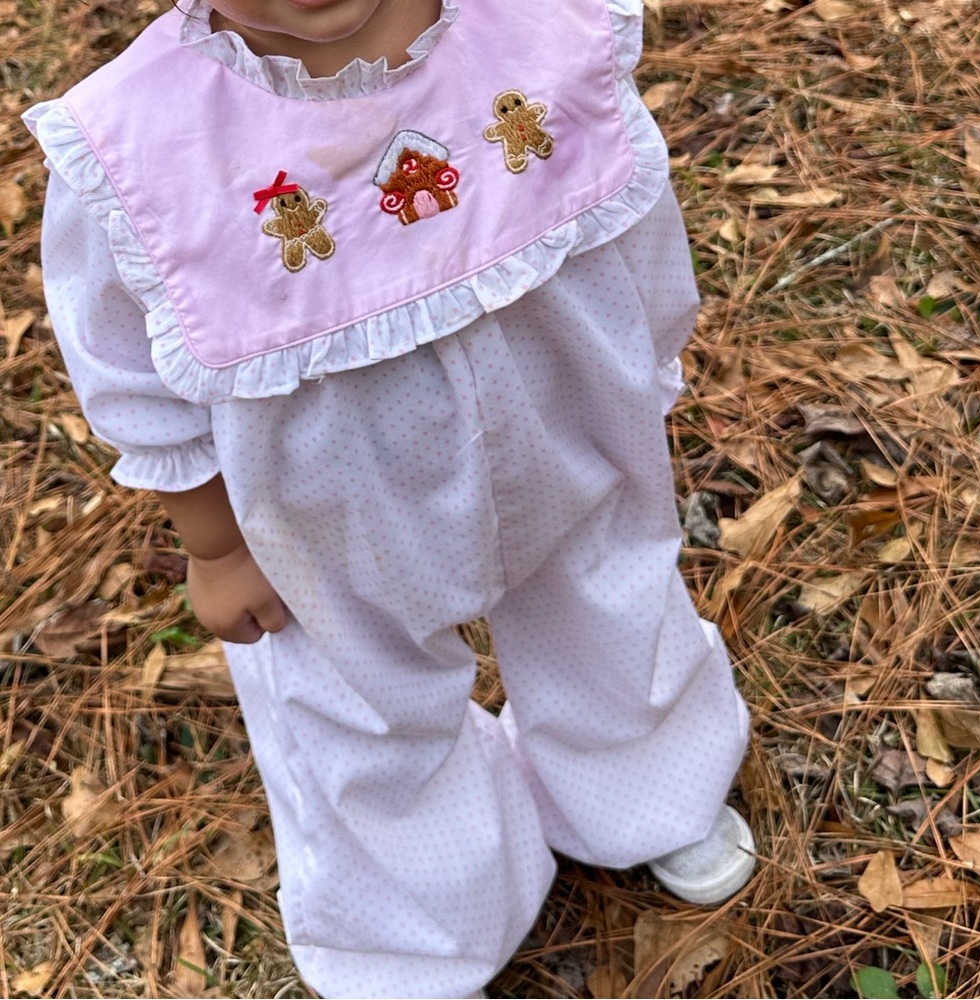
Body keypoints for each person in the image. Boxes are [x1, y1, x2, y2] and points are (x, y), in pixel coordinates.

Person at [24, 0, 755, 996]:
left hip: (560, 434)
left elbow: (631, 207)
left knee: (611, 599)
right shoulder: (142, 142)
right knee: (359, 704)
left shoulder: (537, 31)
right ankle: (420, 927)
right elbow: (124, 366)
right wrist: (218, 544)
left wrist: (646, 362)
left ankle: (647, 785)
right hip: (325, 515)